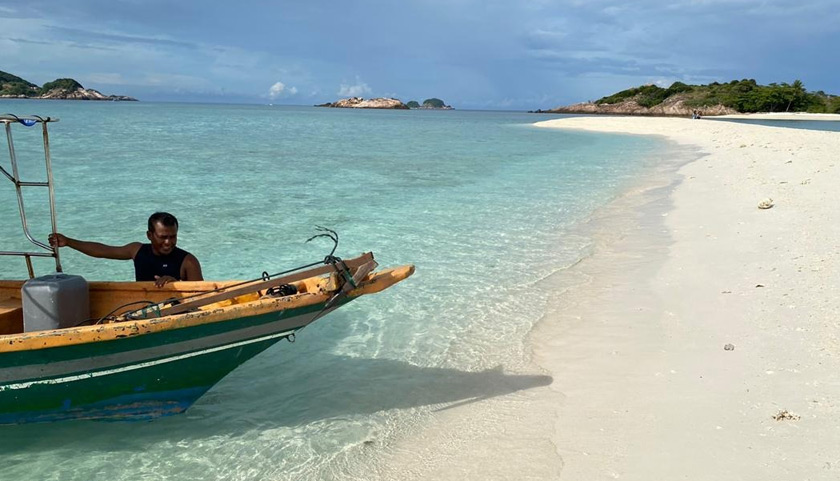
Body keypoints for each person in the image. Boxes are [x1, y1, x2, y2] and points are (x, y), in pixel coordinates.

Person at [49, 212, 203, 287]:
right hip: (142, 310)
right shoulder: (136, 250)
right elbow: (102, 251)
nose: (168, 242)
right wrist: (68, 242)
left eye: (173, 236)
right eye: (163, 237)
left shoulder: (188, 261)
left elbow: (202, 298)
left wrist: (177, 285)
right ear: (149, 235)